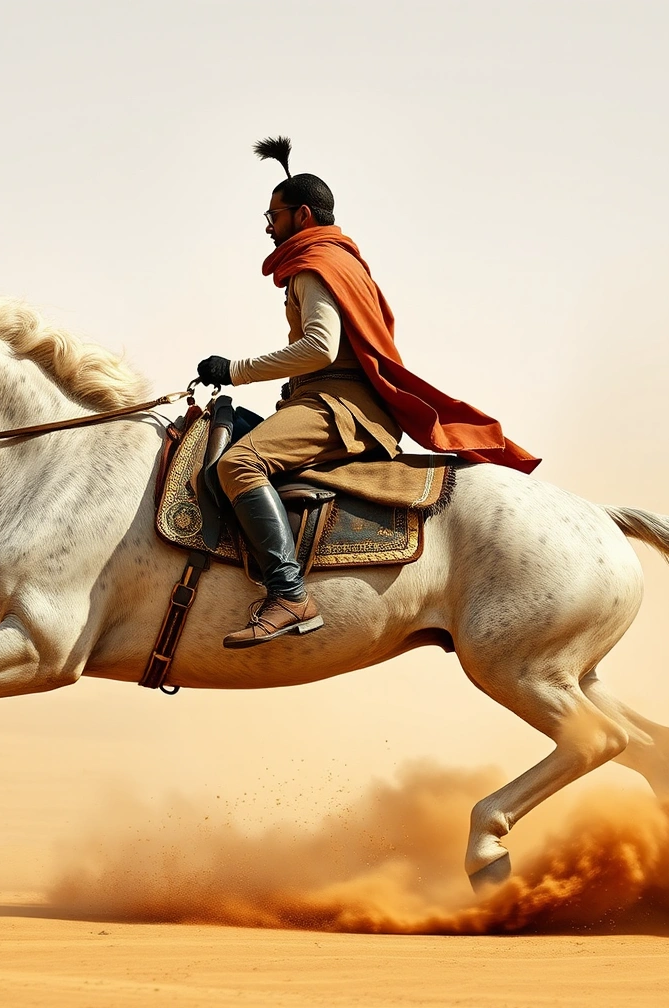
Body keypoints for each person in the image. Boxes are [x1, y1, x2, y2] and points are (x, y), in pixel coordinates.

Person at [198, 137, 540, 649]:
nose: (268, 225)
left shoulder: (315, 264)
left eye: (274, 214)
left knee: (237, 464)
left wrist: (235, 369)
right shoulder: (340, 261)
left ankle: (289, 594)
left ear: (303, 215)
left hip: (339, 408)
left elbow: (319, 346)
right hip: (332, 402)